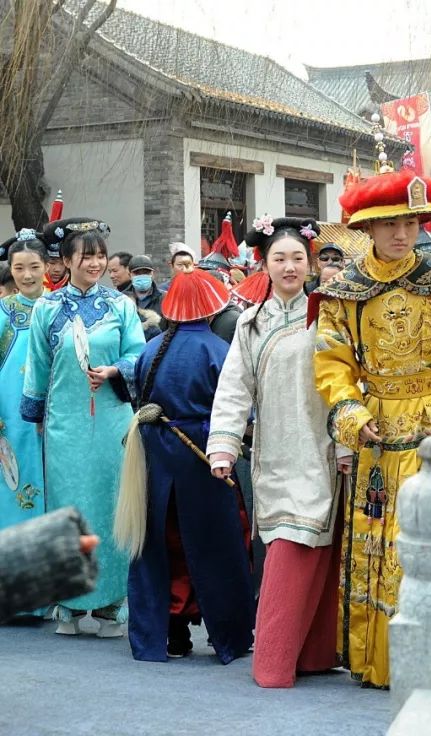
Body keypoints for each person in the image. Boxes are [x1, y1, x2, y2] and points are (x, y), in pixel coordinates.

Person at [313, 164, 431, 688]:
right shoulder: (345, 292)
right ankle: (381, 658)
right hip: (379, 428)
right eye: (390, 224)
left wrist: (428, 389)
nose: (402, 233)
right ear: (367, 227)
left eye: (411, 222)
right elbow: (332, 363)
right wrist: (353, 410)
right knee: (382, 538)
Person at [207, 216, 343, 689]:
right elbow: (232, 390)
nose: (289, 267)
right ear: (263, 263)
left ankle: (311, 655)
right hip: (274, 452)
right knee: (287, 546)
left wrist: (345, 441)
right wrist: (223, 446)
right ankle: (274, 664)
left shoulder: (330, 316)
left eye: (297, 259)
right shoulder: (248, 323)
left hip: (323, 447)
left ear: (310, 264)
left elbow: (345, 386)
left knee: (314, 548)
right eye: (279, 258)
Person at [121, 268, 255, 663]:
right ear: (213, 307)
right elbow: (238, 410)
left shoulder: (151, 348)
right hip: (204, 453)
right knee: (219, 542)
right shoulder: (218, 350)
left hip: (155, 454)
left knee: (163, 542)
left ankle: (168, 632)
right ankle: (226, 631)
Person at [21, 217, 146, 636]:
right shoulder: (47, 309)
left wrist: (114, 370)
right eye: (86, 256)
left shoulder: (122, 307)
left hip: (113, 422)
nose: (95, 264)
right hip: (65, 428)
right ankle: (69, 603)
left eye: (100, 256)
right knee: (69, 510)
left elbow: (140, 358)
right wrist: (35, 418)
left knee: (113, 506)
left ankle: (112, 602)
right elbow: (36, 370)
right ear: (67, 259)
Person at [0, 231, 48, 536]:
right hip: (12, 417)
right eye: (19, 268)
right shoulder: (3, 313)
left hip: (59, 415)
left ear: (46, 265)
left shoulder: (59, 307)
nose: (27, 275)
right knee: (15, 481)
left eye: (34, 266)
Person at [122, 255, 167, 340]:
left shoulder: (165, 298)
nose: (142, 276)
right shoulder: (121, 299)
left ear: (153, 274)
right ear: (129, 274)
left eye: (146, 272)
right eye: (137, 273)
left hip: (158, 349)